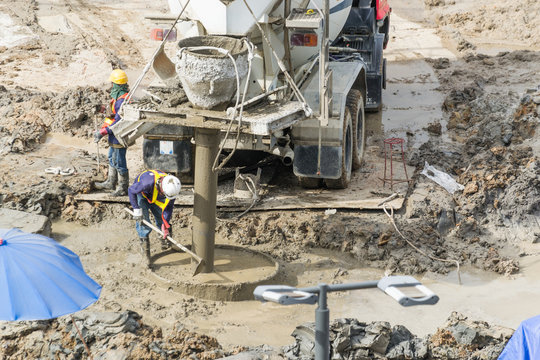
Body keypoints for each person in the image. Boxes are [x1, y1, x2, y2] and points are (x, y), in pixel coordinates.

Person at [128, 170, 182, 267]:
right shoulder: (146, 183)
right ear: (161, 188)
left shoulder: (172, 189)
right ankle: (145, 254)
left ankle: (166, 243)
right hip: (142, 195)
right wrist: (136, 209)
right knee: (143, 222)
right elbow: (131, 190)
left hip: (156, 196)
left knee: (162, 220)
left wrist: (165, 225)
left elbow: (168, 208)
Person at [94, 69, 130, 196]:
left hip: (119, 136)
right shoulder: (119, 98)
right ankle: (111, 182)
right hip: (113, 136)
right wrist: (104, 110)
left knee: (119, 161)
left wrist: (103, 131)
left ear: (117, 85)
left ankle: (122, 187)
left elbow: (119, 122)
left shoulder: (122, 101)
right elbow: (115, 115)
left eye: (113, 84)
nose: (111, 86)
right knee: (111, 158)